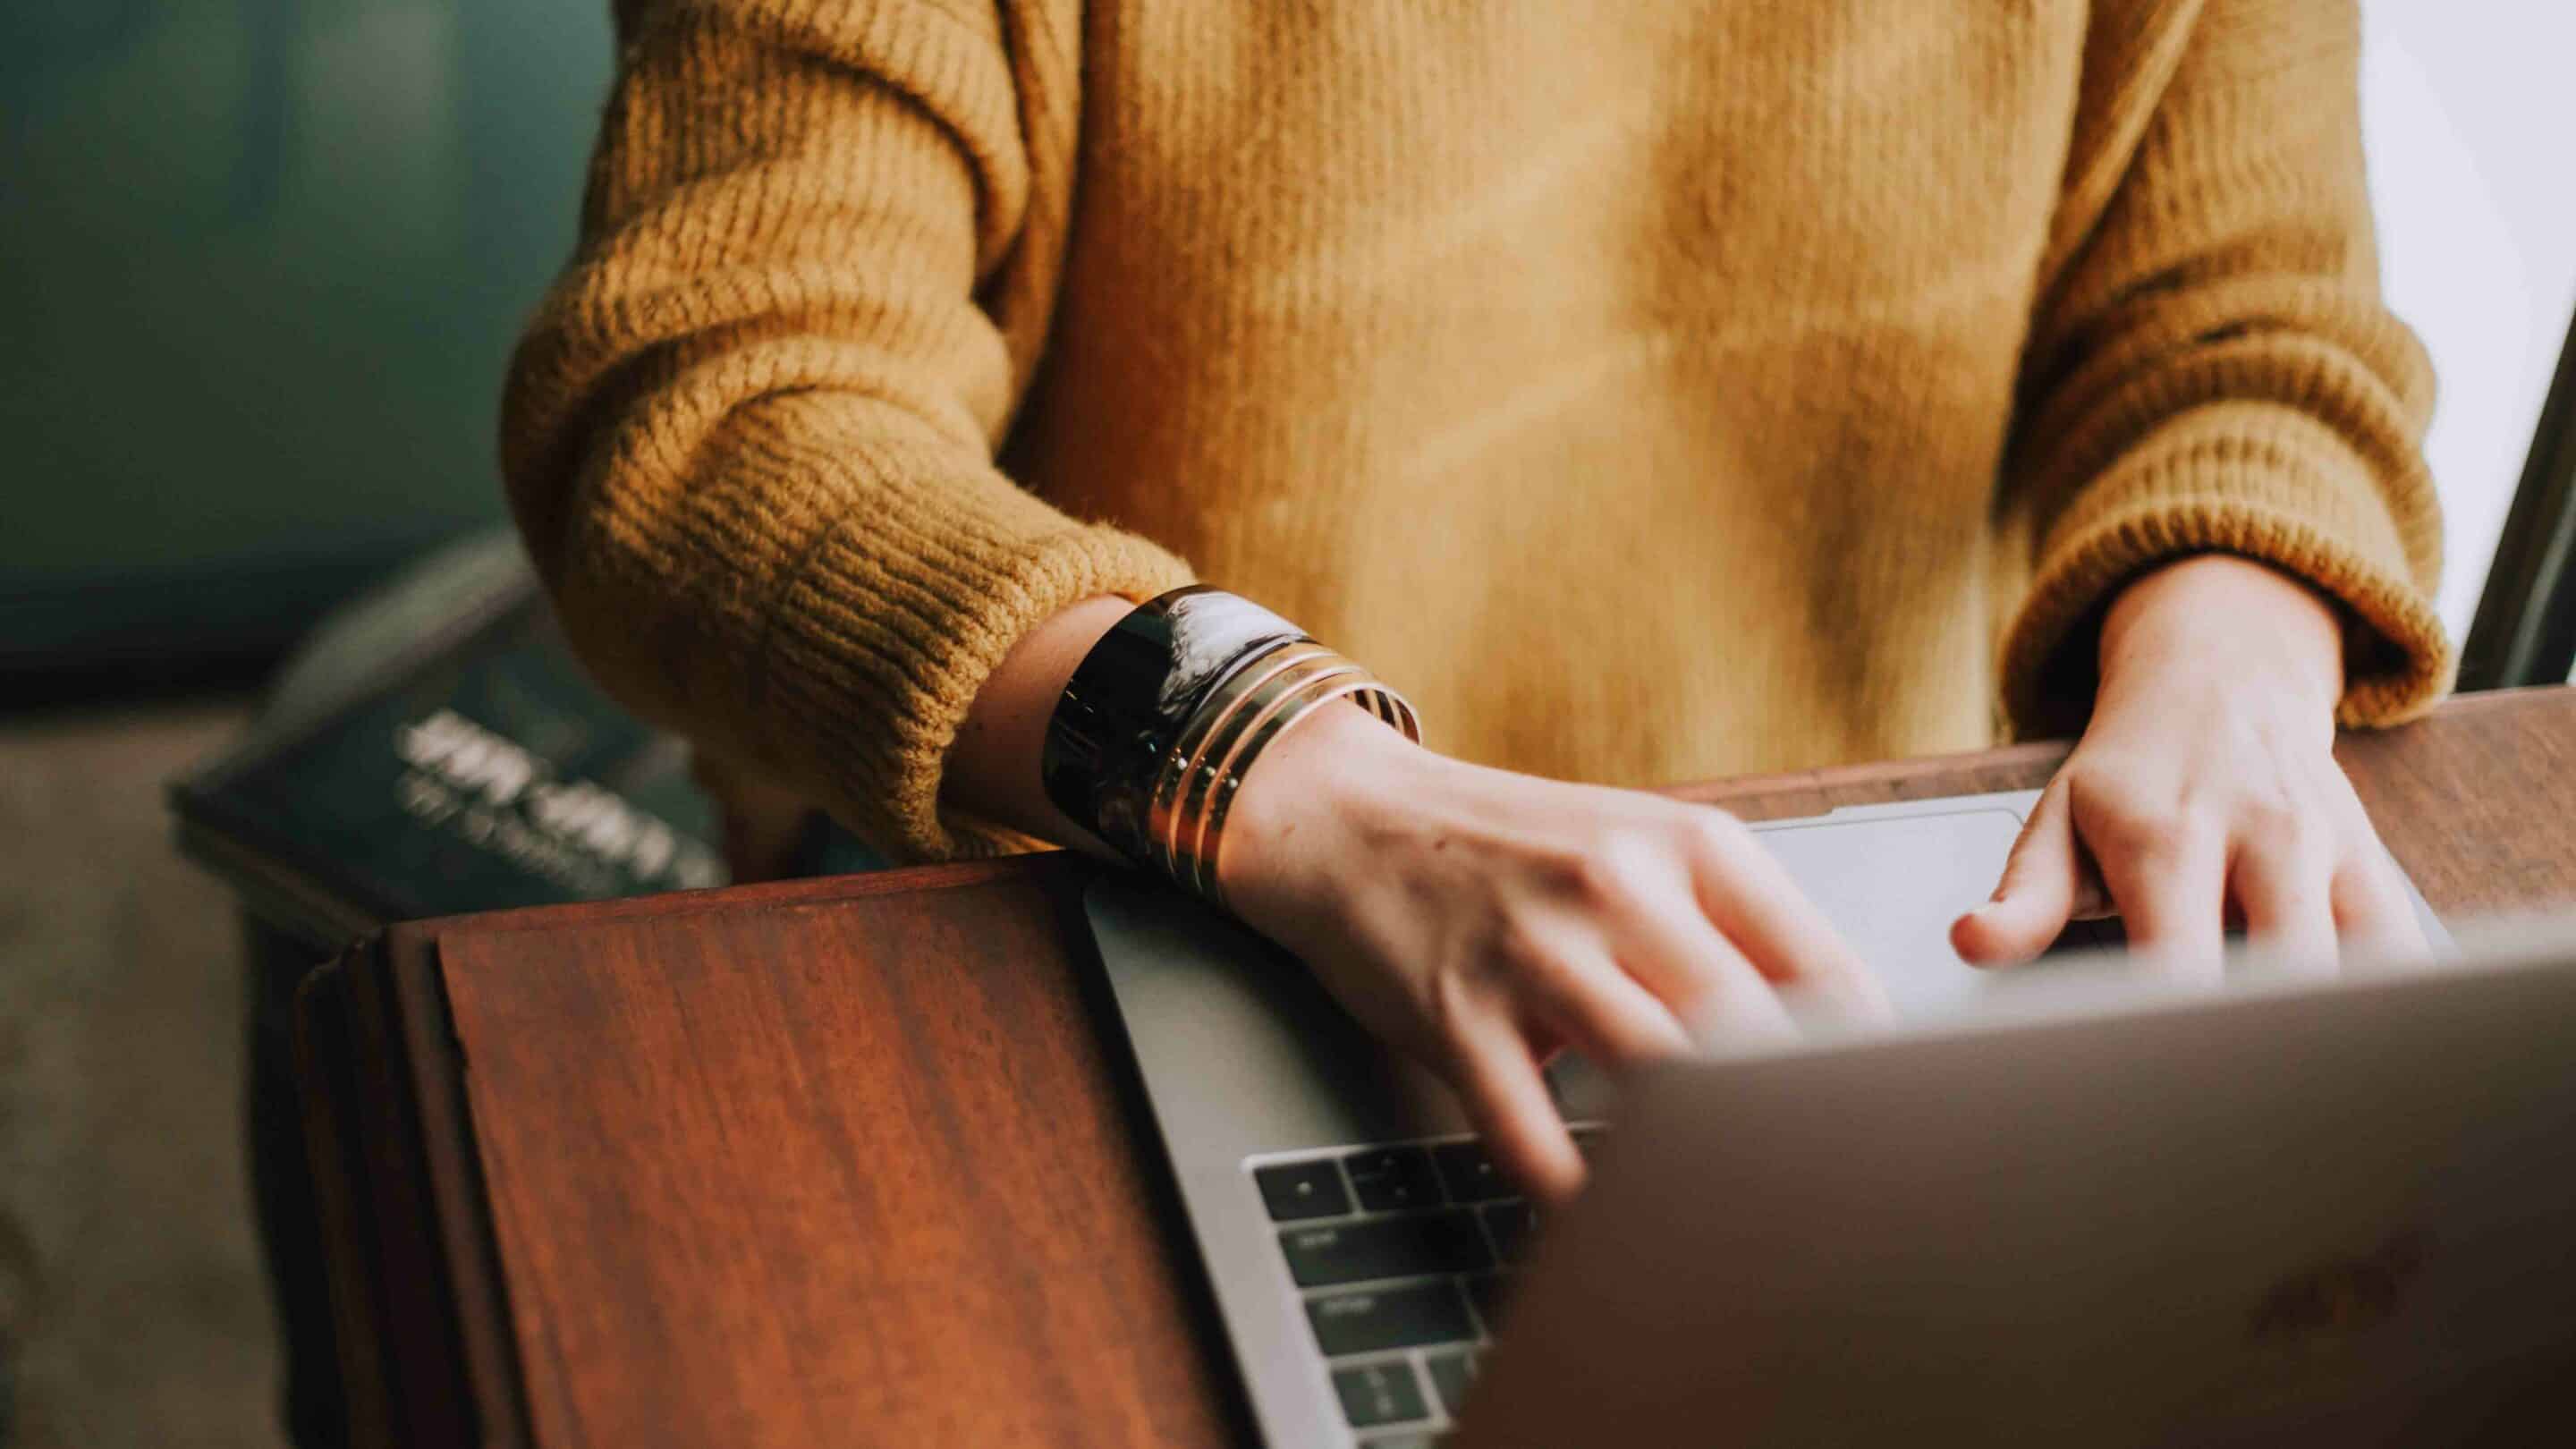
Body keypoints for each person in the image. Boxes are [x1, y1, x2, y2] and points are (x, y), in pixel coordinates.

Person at [502, 0, 2446, 1201]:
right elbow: (712, 413)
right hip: (1128, 916)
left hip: (1876, 964)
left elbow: (2249, 326)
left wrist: (2235, 649)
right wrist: (1282, 770)